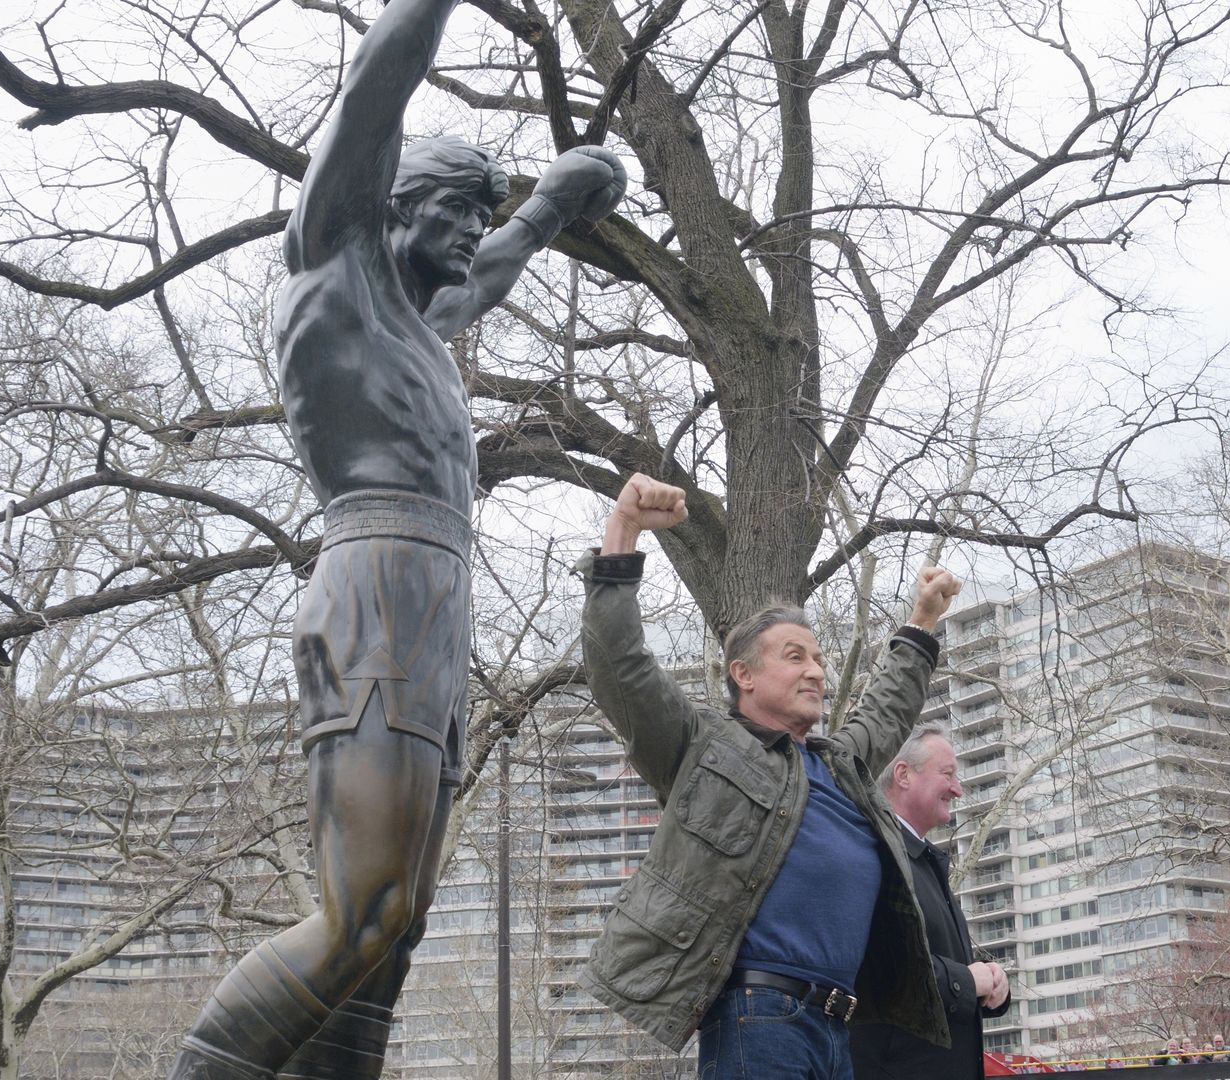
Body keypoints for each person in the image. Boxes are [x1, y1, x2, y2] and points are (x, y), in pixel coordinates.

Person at [163, 1, 624, 1076]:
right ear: (392, 201)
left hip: (430, 600)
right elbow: (383, 71)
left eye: (478, 215)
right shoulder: (336, 262)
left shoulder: (417, 321)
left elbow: (499, 262)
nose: (471, 233)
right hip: (375, 585)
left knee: (399, 923)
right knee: (363, 905)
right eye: (455, 209)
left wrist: (556, 195)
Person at [576, 473, 960, 1079]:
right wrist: (623, 530)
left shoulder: (841, 767)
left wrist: (922, 620)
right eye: (795, 656)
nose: (816, 672)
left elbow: (886, 709)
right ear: (743, 675)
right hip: (759, 1022)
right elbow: (617, 665)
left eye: (819, 659)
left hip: (838, 1031)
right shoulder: (702, 747)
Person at [850, 724, 1010, 1079]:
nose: (958, 789)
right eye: (948, 774)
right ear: (903, 774)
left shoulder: (922, 862)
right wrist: (968, 982)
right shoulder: (875, 854)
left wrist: (993, 982)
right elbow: (883, 966)